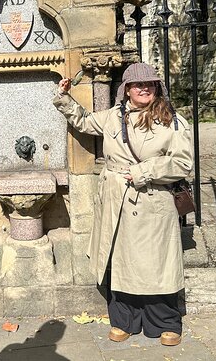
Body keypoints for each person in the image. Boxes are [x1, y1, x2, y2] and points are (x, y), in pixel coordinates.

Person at [53, 63, 193, 347]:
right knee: (121, 262)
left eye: (150, 84)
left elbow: (182, 163)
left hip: (154, 199)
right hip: (117, 200)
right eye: (138, 84)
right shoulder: (113, 117)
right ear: (126, 89)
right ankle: (124, 320)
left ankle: (164, 321)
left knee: (157, 263)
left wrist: (144, 172)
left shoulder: (173, 121)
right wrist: (64, 97)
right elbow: (83, 121)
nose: (144, 88)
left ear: (157, 88)